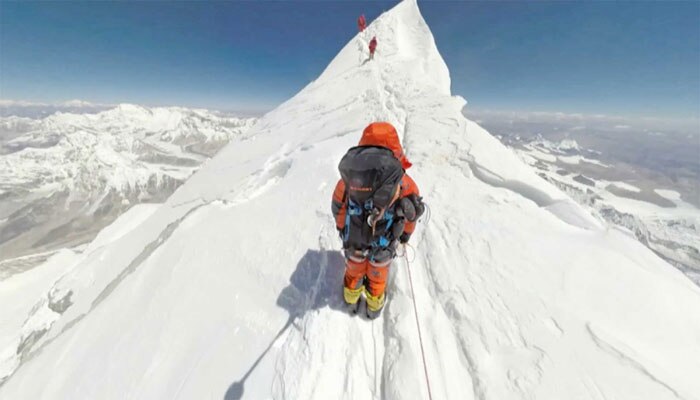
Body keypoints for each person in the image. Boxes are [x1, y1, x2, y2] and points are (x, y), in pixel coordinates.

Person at [331, 122, 425, 318]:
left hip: (354, 242)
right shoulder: (403, 183)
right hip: (384, 246)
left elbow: (338, 205)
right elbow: (411, 215)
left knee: (354, 272)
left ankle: (350, 300)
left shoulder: (349, 179)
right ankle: (374, 307)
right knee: (377, 277)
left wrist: (342, 229)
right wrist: (406, 235)